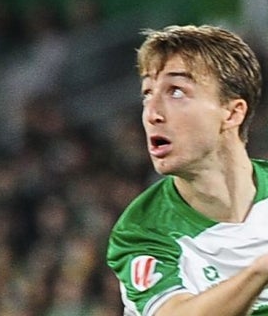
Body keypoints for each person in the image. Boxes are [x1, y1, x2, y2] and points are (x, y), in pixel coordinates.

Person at [106, 24, 268, 316]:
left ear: (232, 113)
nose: (152, 113)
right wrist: (260, 270)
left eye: (176, 92)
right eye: (147, 93)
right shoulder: (143, 231)